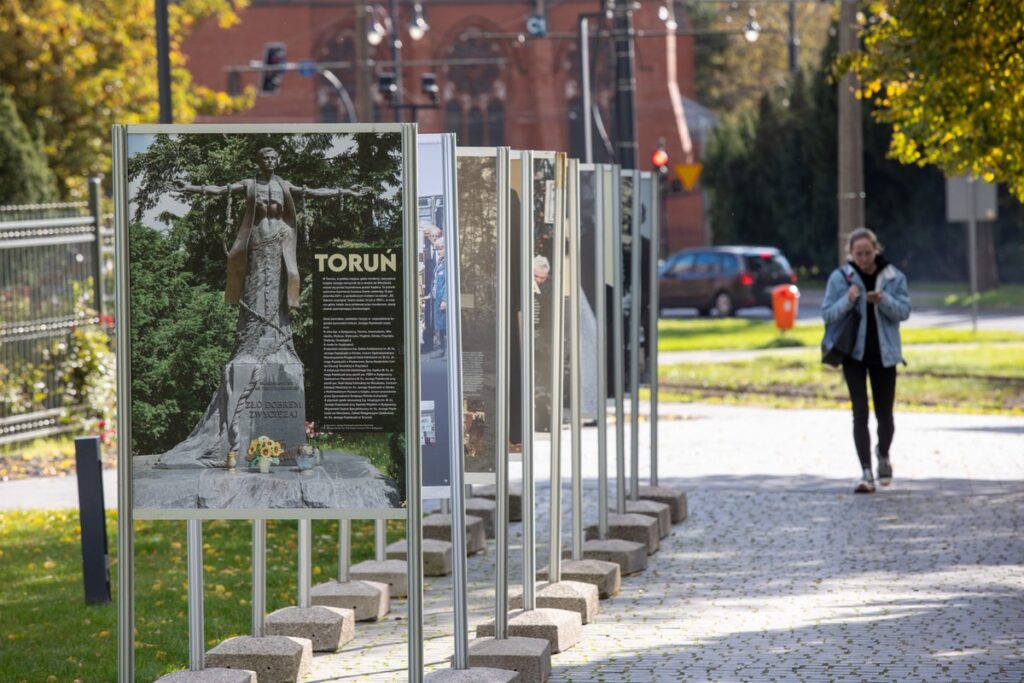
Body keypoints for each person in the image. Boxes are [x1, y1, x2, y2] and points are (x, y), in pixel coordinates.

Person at [157, 146, 368, 468]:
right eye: (265, 159)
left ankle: (277, 335)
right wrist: (192, 188)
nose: (269, 162)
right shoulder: (251, 184)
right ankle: (255, 339)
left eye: (273, 159)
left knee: (280, 284)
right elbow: (221, 189)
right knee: (256, 284)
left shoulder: (284, 186)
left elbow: (314, 192)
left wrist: (346, 190)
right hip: (258, 238)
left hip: (282, 237)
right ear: (259, 162)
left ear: (278, 162)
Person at [822, 227, 912, 493]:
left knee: (885, 414)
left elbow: (904, 311)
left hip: (885, 355)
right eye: (858, 253)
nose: (863, 258)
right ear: (850, 254)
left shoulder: (893, 277)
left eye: (868, 253)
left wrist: (882, 299)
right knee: (859, 412)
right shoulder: (841, 278)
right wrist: (849, 300)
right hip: (854, 355)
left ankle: (883, 454)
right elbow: (828, 314)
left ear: (876, 250)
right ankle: (865, 473)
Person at [431, 237, 447, 355]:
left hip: (442, 299)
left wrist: (445, 300)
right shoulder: (439, 263)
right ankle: (442, 350)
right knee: (439, 326)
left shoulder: (447, 265)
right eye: (437, 250)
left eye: (441, 249)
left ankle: (447, 351)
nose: (439, 252)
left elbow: (447, 284)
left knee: (444, 326)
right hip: (436, 299)